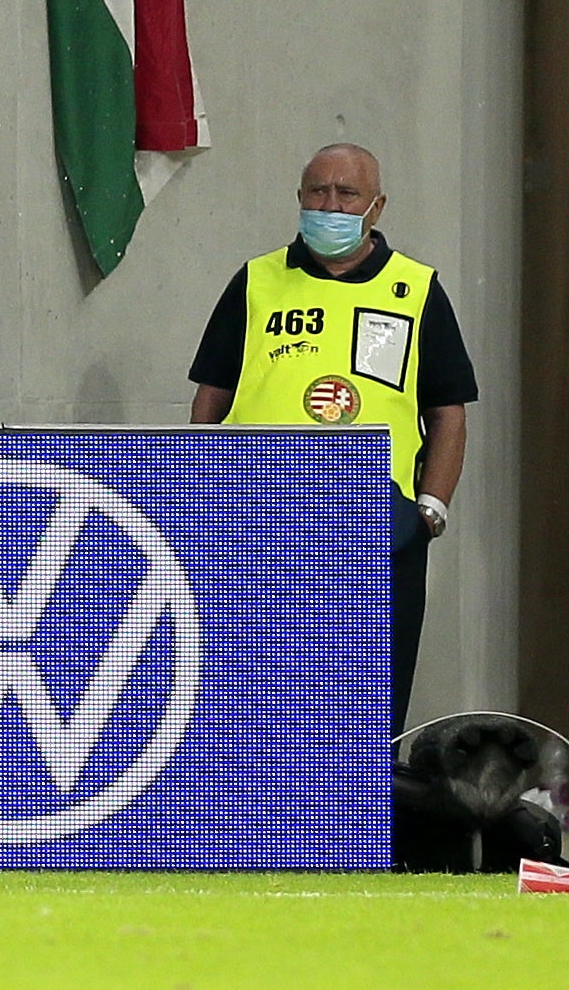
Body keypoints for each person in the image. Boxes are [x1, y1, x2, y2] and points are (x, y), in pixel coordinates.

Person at [187, 141, 475, 734]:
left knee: (367, 714)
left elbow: (448, 412)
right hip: (253, 514)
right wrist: (197, 491)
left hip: (374, 523)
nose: (331, 204)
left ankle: (352, 825)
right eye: (318, 191)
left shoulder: (416, 289)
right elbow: (211, 396)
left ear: (377, 206)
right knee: (245, 702)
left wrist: (430, 513)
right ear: (299, 198)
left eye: (347, 194)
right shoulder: (256, 282)